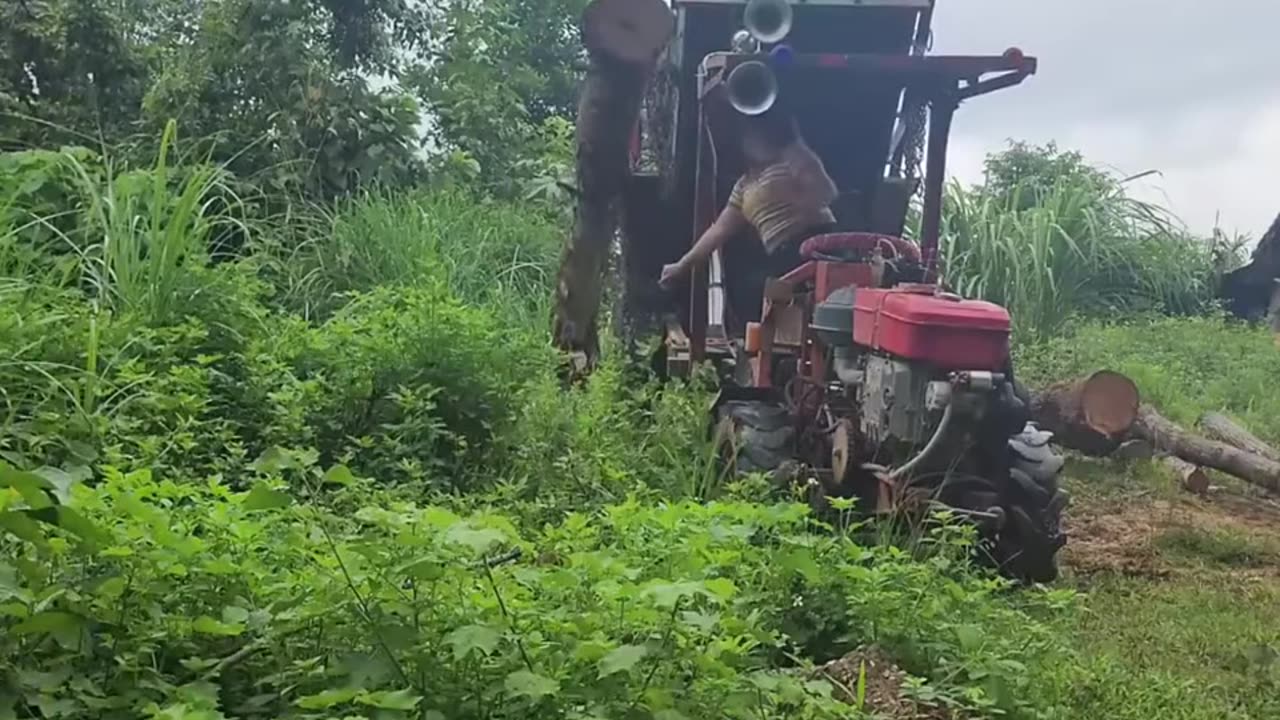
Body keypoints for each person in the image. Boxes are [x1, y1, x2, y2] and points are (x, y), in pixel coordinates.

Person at [658, 109, 838, 289]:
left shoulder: (792, 156)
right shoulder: (743, 186)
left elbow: (827, 192)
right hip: (781, 254)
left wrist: (801, 195)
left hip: (814, 241)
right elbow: (718, 231)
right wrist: (682, 265)